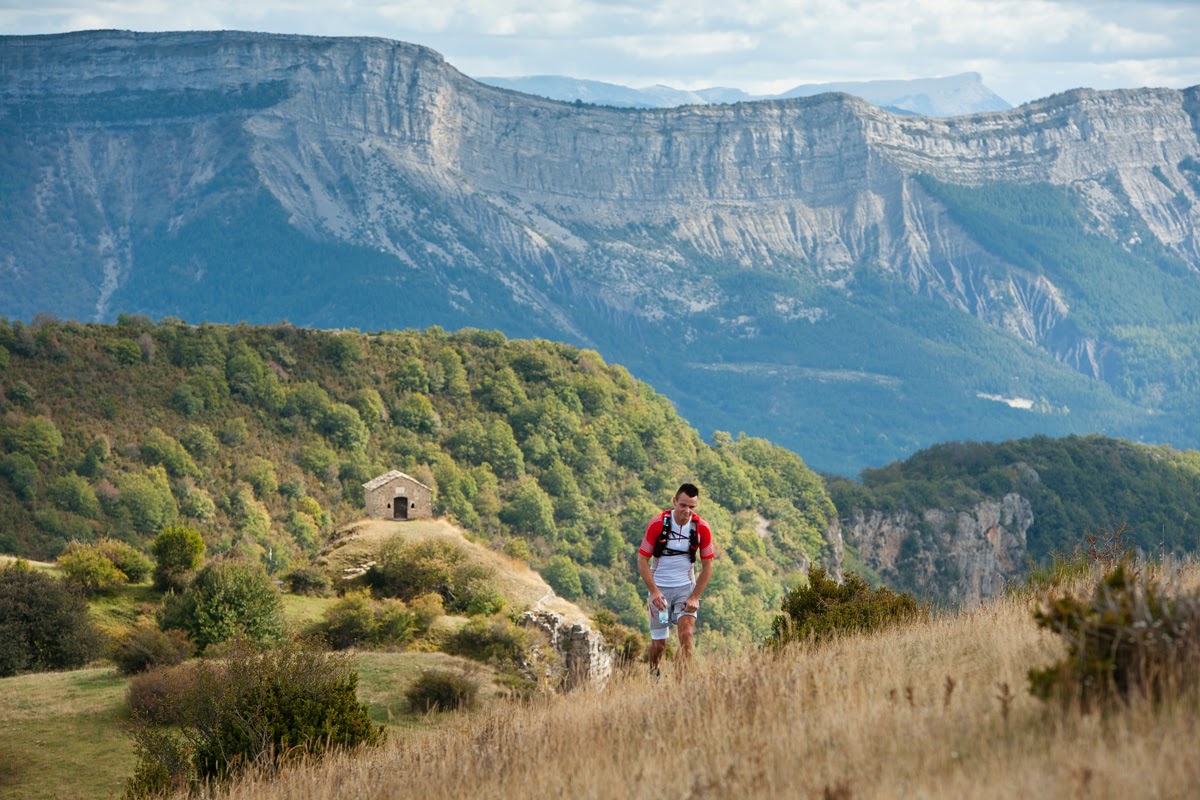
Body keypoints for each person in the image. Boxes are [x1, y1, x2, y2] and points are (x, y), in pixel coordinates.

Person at [636, 482, 715, 671]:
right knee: (659, 644)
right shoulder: (658, 524)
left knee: (686, 636)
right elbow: (642, 560)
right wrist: (654, 592)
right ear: (675, 502)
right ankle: (653, 673)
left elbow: (708, 565)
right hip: (661, 594)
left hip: (685, 591)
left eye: (691, 507)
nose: (687, 511)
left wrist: (695, 596)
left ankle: (681, 688)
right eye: (683, 505)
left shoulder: (701, 528)